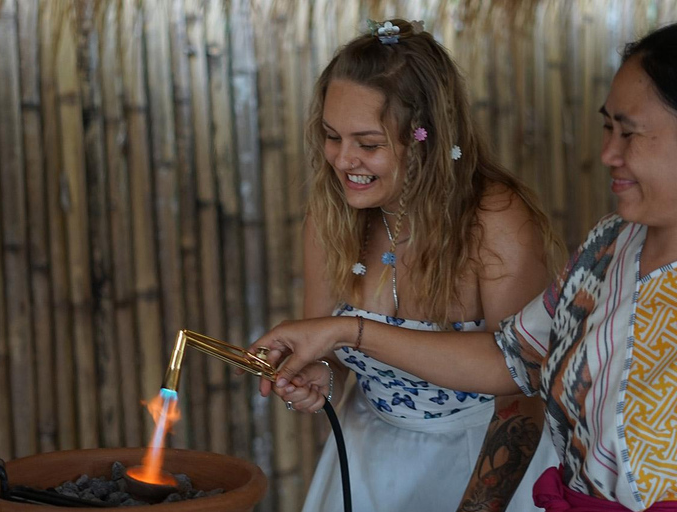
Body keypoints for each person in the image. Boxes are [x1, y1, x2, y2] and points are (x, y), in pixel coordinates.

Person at [252, 21, 677, 512]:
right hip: (374, 458)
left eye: (368, 144)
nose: (607, 153)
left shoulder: (494, 220)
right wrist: (334, 348)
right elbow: (517, 358)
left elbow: (520, 389)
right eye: (608, 128)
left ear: (424, 138)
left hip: (473, 459)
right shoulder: (609, 247)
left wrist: (346, 331)